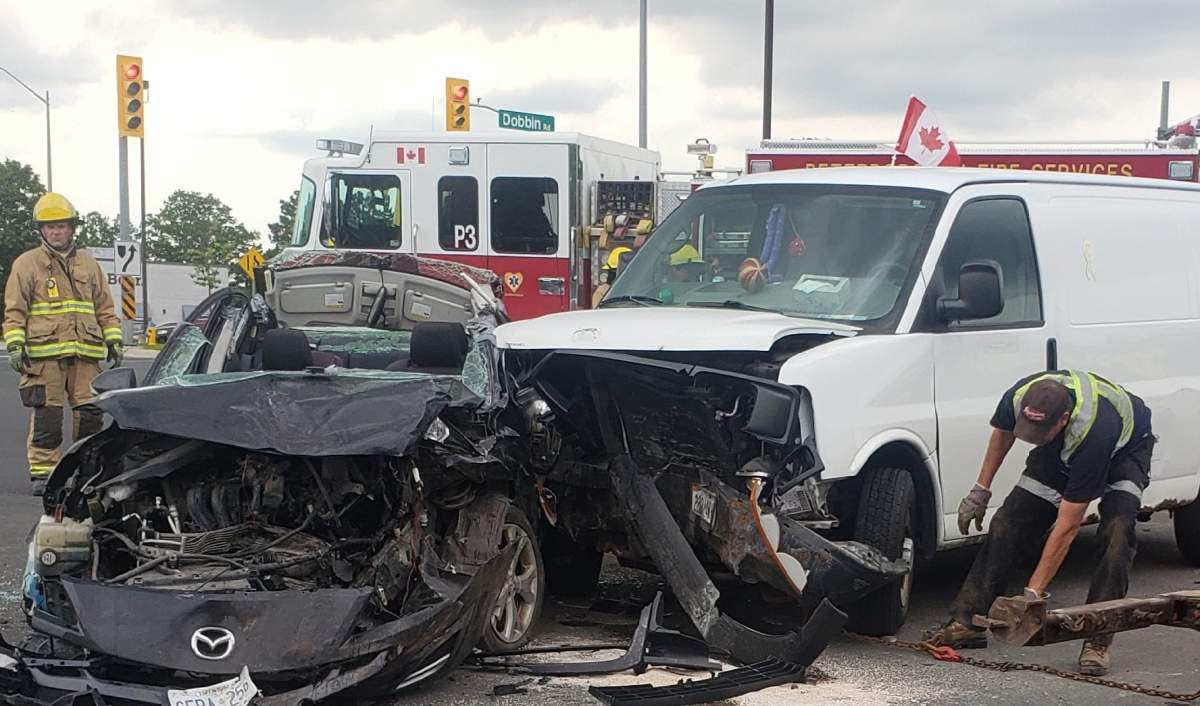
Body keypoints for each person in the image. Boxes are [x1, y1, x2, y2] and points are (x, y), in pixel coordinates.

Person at [924, 370, 1153, 677]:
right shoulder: (1020, 396)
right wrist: (980, 489)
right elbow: (1002, 434)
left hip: (1124, 451)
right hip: (1063, 445)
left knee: (1117, 536)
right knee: (1008, 520)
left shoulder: (1095, 433)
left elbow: (1068, 526)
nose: (1030, 437)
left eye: (1038, 431)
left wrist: (1033, 594)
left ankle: (1097, 639)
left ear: (1063, 419)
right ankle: (968, 622)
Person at [3, 193, 123, 496]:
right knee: (48, 418)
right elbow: (15, 310)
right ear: (41, 231)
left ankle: (85, 470)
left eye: (61, 226)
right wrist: (15, 345)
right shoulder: (27, 265)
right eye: (49, 227)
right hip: (44, 359)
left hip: (85, 354)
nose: (56, 232)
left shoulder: (90, 265)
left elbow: (105, 308)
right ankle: (43, 475)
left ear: (72, 228)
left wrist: (114, 339)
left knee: (91, 416)